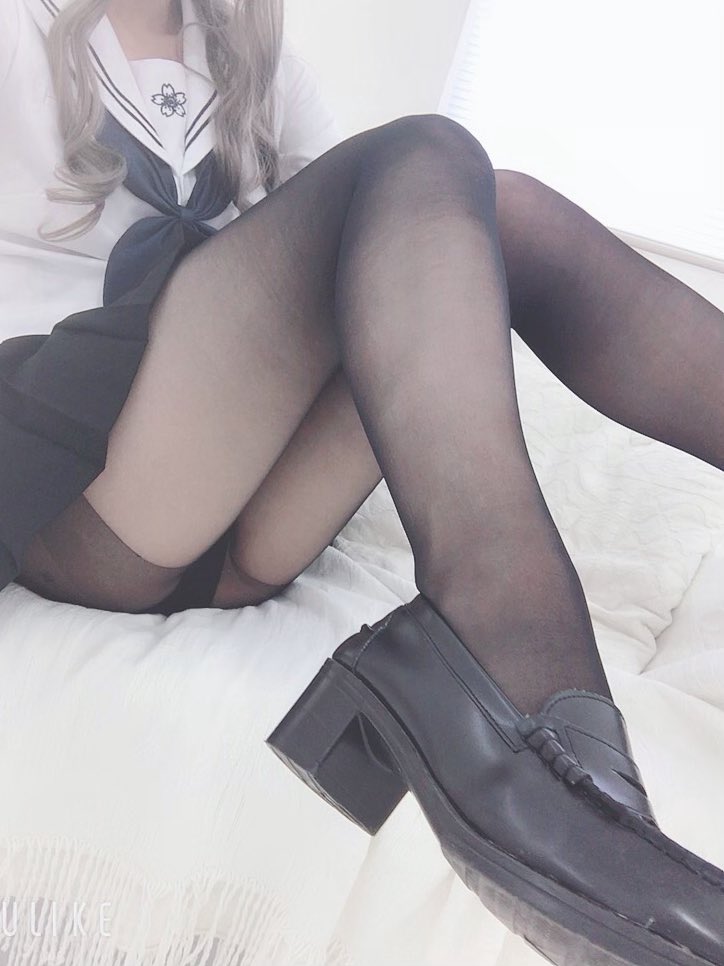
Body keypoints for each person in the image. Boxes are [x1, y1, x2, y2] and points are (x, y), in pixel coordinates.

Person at [1, 0, 723, 962]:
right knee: (426, 151)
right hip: (73, 478)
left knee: (480, 203)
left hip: (235, 508)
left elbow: (399, 222)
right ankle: (526, 673)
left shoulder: (248, 54)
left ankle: (523, 714)